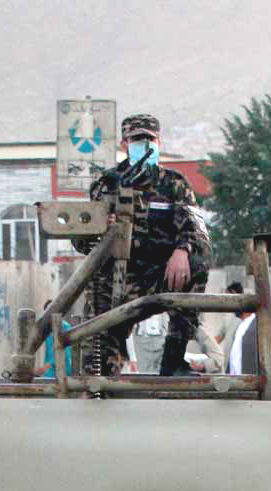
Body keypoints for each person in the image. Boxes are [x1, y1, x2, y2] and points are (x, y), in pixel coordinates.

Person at [72, 113, 211, 376]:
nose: (145, 145)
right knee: (97, 373)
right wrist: (101, 226)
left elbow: (197, 229)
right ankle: (102, 380)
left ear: (159, 141)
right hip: (115, 283)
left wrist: (182, 250)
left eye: (149, 139)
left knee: (198, 262)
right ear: (125, 143)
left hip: (162, 275)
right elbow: (82, 242)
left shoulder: (175, 184)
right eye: (137, 139)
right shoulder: (107, 184)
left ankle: (173, 361)